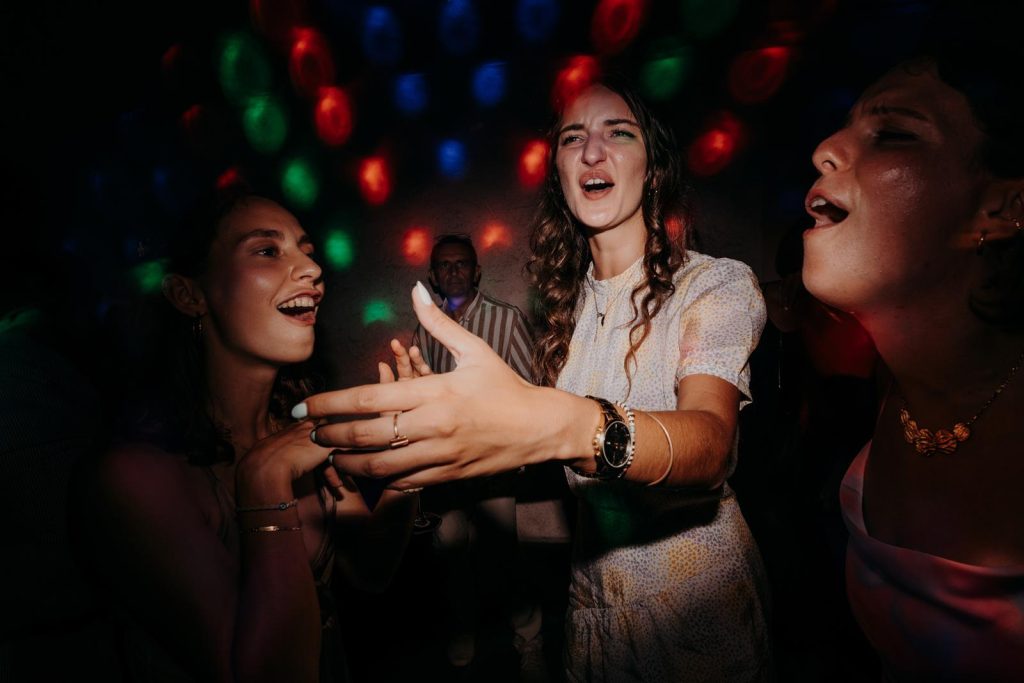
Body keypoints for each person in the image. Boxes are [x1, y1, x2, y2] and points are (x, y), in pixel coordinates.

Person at [298, 78, 772, 680]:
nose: (592, 152)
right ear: (559, 172)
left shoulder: (713, 285)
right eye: (573, 139)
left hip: (695, 611)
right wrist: (447, 441)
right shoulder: (567, 313)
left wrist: (568, 426)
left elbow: (711, 444)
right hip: (591, 613)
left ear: (653, 169)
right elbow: (570, 485)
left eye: (618, 134)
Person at [71, 190, 417, 682]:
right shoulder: (133, 477)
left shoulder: (300, 438)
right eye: (267, 251)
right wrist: (264, 479)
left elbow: (371, 572)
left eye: (307, 252)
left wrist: (410, 463)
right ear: (189, 295)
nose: (313, 271)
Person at [799, 39, 1024, 679]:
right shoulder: (896, 397)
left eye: (892, 134)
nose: (825, 149)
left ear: (1001, 209)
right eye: (843, 130)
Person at [411, 232, 547, 677]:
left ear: (476, 271)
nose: (453, 271)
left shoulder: (505, 319)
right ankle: (462, 629)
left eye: (462, 264)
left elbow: (531, 389)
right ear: (432, 276)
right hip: (445, 466)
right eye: (444, 265)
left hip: (493, 460)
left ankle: (529, 638)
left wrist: (520, 450)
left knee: (502, 553)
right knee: (449, 549)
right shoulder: (424, 324)